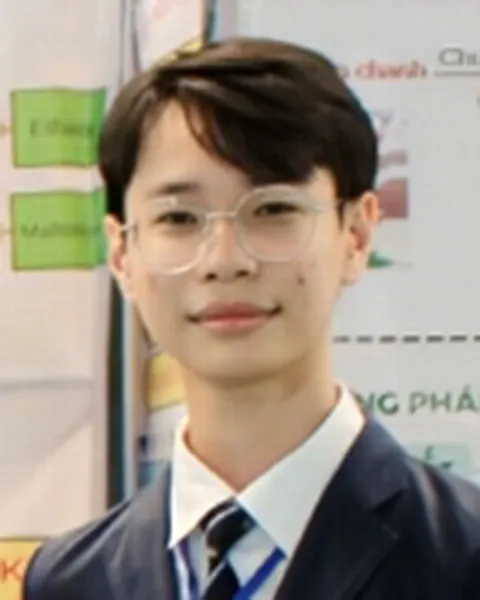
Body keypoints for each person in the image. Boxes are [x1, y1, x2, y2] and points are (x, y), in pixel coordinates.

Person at [23, 37, 480, 600]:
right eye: (179, 218)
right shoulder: (70, 582)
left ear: (357, 235)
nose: (225, 260)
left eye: (273, 209)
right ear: (122, 254)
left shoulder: (463, 557)